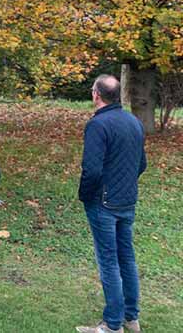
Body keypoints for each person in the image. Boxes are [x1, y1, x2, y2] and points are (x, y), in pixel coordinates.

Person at [76, 75, 147, 333]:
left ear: (96, 94)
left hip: (104, 204)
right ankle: (131, 318)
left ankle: (113, 324)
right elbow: (141, 164)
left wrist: (86, 196)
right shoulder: (134, 122)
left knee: (109, 261)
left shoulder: (98, 125)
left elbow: (91, 171)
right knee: (126, 259)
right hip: (126, 201)